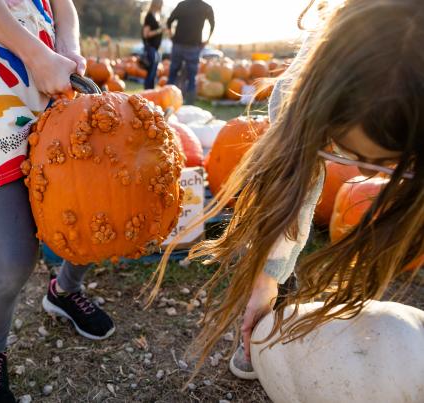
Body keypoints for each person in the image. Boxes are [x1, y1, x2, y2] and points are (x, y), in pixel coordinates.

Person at [150, 0, 422, 381]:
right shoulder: (295, 94)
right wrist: (268, 278)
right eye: (351, 152)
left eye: (387, 163)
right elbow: (296, 192)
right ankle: (279, 306)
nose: (362, 172)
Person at [0, 1, 115, 401]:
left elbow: (64, 7)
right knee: (14, 253)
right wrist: (36, 55)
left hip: (54, 81)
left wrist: (67, 47)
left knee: (95, 209)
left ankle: (64, 291)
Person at [166, 0, 215, 104]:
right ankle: (189, 104)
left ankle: (167, 100)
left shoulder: (182, 4)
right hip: (193, 46)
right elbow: (212, 25)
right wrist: (207, 40)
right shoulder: (206, 7)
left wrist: (171, 36)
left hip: (178, 44)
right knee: (191, 77)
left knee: (172, 74)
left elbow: (169, 21)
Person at [142, 0, 164, 89]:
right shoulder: (149, 16)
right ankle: (147, 90)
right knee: (151, 70)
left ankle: (151, 89)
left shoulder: (156, 16)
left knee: (154, 71)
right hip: (150, 47)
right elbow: (146, 34)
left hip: (155, 48)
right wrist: (159, 31)